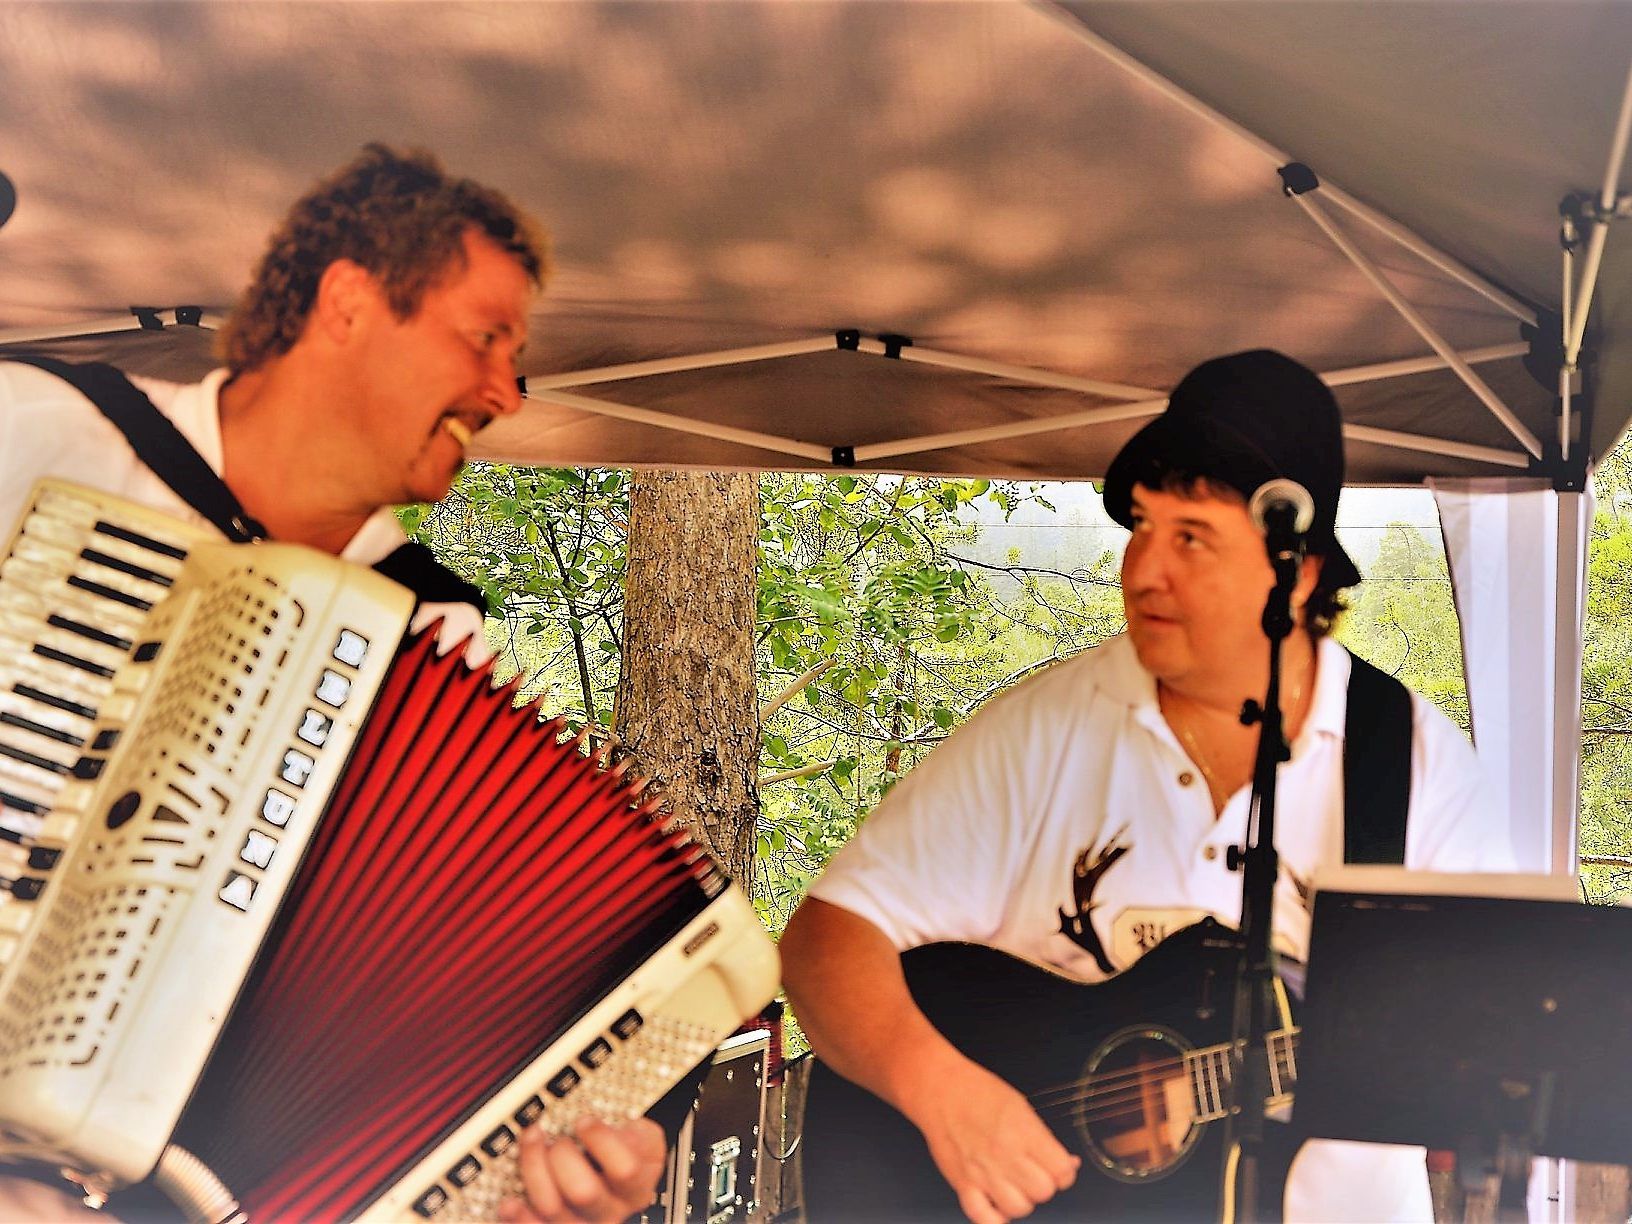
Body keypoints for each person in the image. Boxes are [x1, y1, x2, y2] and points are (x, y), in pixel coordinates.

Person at [0, 144, 664, 1224]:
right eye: (485, 337)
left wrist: (548, 1172)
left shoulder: (430, 635)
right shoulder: (36, 429)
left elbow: (411, 1003)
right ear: (349, 304)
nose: (506, 390)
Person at [781, 349, 1516, 1224]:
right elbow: (825, 946)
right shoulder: (1046, 730)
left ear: (1301, 570)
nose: (1141, 569)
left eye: (1190, 537)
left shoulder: (1418, 772)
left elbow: (1507, 1042)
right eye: (1141, 526)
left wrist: (1472, 1099)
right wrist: (945, 1097)